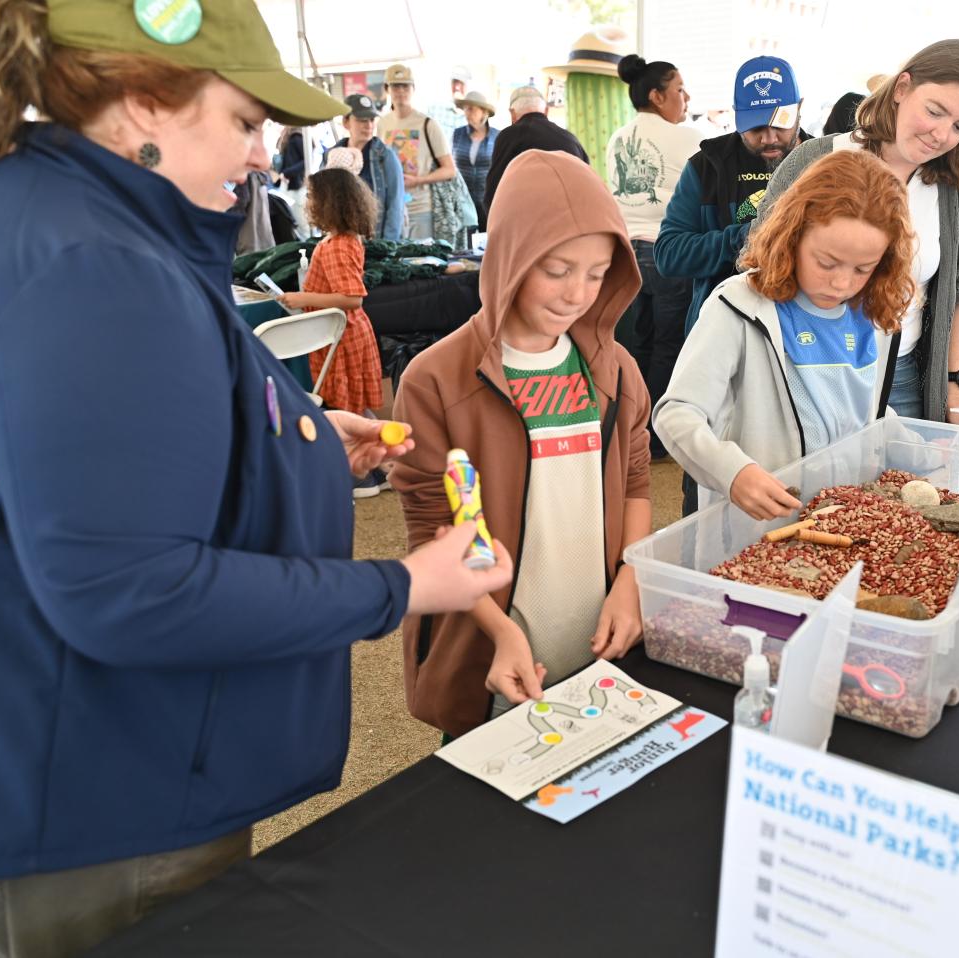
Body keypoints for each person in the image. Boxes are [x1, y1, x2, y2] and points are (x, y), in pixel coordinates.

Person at [0, 1, 513, 954]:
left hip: (88, 761)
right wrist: (404, 585)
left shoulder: (56, 218)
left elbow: (95, 467)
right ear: (143, 102)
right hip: (111, 794)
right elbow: (129, 589)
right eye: (246, 122)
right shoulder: (95, 265)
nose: (262, 156)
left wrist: (288, 441)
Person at [391, 150, 651, 738]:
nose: (577, 294)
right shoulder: (435, 381)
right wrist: (501, 630)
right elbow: (434, 530)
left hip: (597, 637)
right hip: (492, 652)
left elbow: (636, 484)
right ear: (509, 258)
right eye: (557, 270)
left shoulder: (615, 370)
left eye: (596, 272)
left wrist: (631, 582)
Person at [655, 150, 915, 518]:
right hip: (756, 527)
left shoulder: (874, 316)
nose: (841, 283)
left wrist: (932, 452)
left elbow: (863, 413)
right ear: (792, 235)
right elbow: (677, 413)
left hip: (844, 519)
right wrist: (733, 473)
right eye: (826, 263)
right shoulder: (738, 305)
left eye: (863, 269)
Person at [760, 40, 959, 425]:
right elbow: (762, 261)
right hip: (805, 368)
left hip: (902, 375)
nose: (940, 134)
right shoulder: (816, 159)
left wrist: (956, 385)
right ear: (901, 89)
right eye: (934, 112)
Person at [656, 55, 811, 340]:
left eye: (780, 125)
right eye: (755, 128)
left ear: (799, 109)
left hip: (803, 334)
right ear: (736, 116)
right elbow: (668, 254)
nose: (768, 138)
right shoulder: (707, 166)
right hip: (723, 332)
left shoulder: (824, 163)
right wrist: (746, 237)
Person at [606, 54, 703, 455]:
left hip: (623, 255)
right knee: (670, 346)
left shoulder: (617, 138)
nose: (686, 97)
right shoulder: (688, 138)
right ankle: (658, 440)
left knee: (634, 346)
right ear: (657, 95)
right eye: (679, 89)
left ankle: (628, 431)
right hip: (666, 254)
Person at [276, 169, 390, 497]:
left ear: (328, 202)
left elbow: (351, 298)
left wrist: (302, 298)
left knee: (347, 407)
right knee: (354, 407)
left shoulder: (339, 245)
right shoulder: (341, 240)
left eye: (313, 197)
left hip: (342, 338)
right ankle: (382, 468)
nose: (307, 202)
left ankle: (362, 478)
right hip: (342, 335)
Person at [376, 63, 460, 243]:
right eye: (395, 86)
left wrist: (419, 180)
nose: (401, 91)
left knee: (422, 264)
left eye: (405, 86)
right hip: (391, 210)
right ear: (387, 89)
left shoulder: (428, 124)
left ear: (413, 89)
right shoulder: (382, 124)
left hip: (421, 208)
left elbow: (449, 170)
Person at [483, 86, 589, 216]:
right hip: (572, 222)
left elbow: (494, 192)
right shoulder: (570, 139)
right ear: (546, 111)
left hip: (528, 224)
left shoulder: (508, 137)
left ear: (512, 113)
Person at [327, 93, 403, 241]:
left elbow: (396, 205)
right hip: (342, 242)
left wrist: (387, 246)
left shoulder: (385, 156)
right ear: (346, 122)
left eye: (371, 119)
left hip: (376, 241)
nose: (368, 125)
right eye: (361, 120)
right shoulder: (332, 156)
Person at [451, 89, 500, 230]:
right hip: (462, 201)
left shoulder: (497, 136)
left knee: (488, 242)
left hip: (489, 201)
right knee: (465, 246)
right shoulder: (457, 134)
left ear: (484, 112)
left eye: (471, 109)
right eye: (465, 109)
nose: (467, 113)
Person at [273, 125, 308, 235]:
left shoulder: (297, 137)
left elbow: (306, 161)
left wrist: (287, 172)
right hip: (287, 183)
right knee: (290, 219)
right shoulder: (288, 136)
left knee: (299, 221)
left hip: (296, 184)